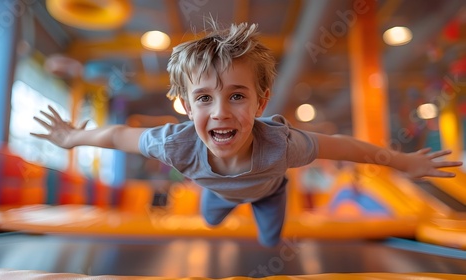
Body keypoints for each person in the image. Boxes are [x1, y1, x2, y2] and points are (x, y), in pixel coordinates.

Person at [31, 20, 463, 247]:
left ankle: (251, 212)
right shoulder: (175, 143)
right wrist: (73, 139)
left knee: (270, 237)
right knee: (211, 217)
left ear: (260, 102)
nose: (220, 112)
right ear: (185, 104)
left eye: (236, 96)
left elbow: (346, 147)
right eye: (204, 99)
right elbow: (118, 136)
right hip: (216, 190)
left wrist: (404, 160)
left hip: (270, 191)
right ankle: (214, 200)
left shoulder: (282, 144)